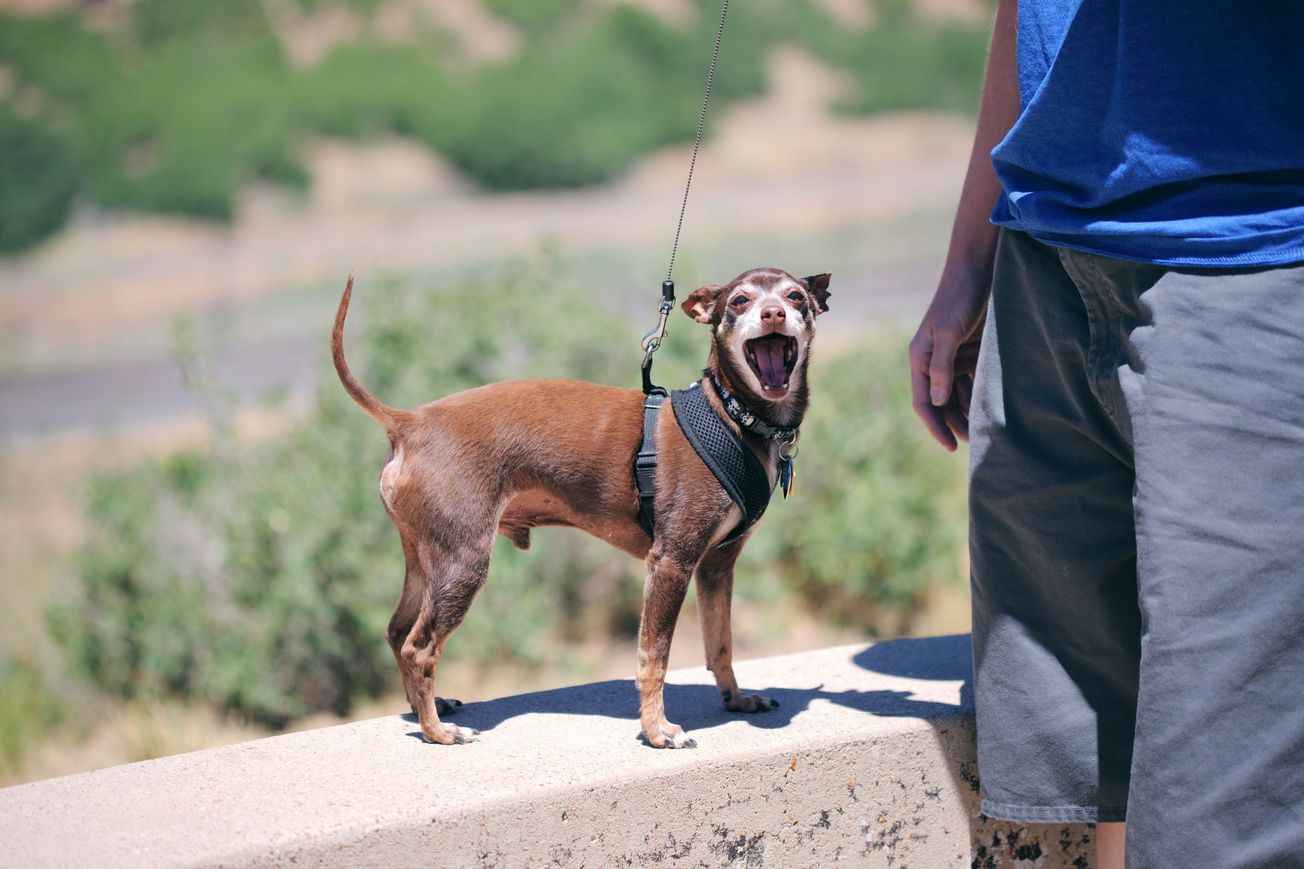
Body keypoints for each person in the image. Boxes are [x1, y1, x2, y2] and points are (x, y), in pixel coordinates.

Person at [909, 2, 1304, 867]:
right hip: (1044, 252)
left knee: (1226, 806)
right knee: (1098, 770)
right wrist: (969, 256)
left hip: (1257, 255)